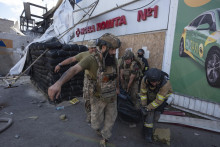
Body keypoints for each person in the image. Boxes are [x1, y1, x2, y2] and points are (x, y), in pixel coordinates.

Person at [48, 33, 121, 147]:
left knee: (111, 119)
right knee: (96, 121)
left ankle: (105, 137)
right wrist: (58, 83)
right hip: (98, 97)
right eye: (112, 49)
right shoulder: (91, 59)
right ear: (102, 47)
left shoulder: (113, 60)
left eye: (115, 50)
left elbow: (116, 75)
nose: (114, 52)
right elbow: (74, 69)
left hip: (112, 97)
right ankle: (97, 128)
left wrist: (117, 88)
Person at [54, 39, 97, 123]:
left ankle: (96, 118)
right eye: (91, 48)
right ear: (88, 48)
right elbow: (71, 59)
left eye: (95, 48)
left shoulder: (100, 55)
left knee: (98, 101)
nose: (93, 50)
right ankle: (89, 116)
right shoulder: (84, 55)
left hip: (99, 82)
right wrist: (60, 64)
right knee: (87, 100)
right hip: (89, 82)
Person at [140, 68, 172, 143]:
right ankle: (147, 134)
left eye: (155, 82)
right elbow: (143, 93)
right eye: (152, 82)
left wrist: (148, 108)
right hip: (151, 96)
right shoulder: (145, 80)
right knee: (149, 116)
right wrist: (144, 105)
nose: (154, 84)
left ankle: (147, 127)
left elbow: (159, 100)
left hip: (162, 99)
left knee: (156, 116)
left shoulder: (165, 83)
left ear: (159, 79)